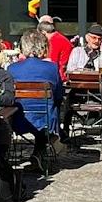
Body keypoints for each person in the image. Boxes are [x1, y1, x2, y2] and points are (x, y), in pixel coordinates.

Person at [8, 29, 64, 161]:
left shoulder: (12, 69)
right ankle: (41, 150)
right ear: (43, 47)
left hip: (19, 119)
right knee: (54, 105)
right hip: (46, 119)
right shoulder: (52, 68)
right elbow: (59, 95)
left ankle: (38, 153)